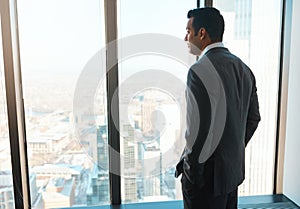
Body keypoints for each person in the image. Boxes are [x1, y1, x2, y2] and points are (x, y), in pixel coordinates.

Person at [175, 7, 261, 209]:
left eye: (188, 31)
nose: (185, 37)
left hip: (205, 180)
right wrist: (231, 151)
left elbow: (197, 131)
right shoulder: (244, 69)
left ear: (202, 33)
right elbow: (253, 118)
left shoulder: (199, 70)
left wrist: (192, 174)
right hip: (231, 176)